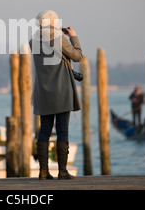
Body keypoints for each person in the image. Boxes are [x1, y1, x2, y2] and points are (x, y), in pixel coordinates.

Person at [29, 10, 83, 180]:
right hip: (61, 91)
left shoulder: (33, 41)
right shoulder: (60, 39)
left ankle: (43, 172)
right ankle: (63, 171)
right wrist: (73, 36)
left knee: (44, 131)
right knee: (62, 130)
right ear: (53, 22)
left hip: (43, 92)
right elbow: (77, 56)